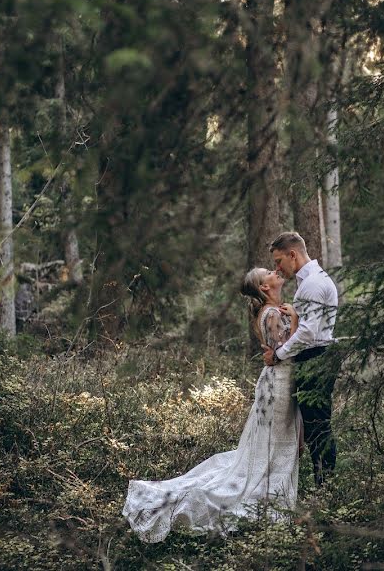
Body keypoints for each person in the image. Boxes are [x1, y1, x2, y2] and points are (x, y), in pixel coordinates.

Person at [122, 268, 303, 543]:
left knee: (273, 446)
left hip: (279, 382)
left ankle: (271, 500)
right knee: (272, 447)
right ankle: (263, 504)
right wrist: (297, 319)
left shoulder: (274, 310)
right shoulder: (273, 313)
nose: (275, 271)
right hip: (278, 385)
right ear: (264, 287)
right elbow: (285, 350)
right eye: (268, 272)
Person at [263, 231, 339, 486]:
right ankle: (322, 484)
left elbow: (308, 332)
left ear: (292, 255)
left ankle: (325, 486)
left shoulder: (313, 284)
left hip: (315, 357)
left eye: (278, 261)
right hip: (314, 356)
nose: (278, 268)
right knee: (315, 425)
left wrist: (278, 354)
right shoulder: (312, 282)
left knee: (318, 426)